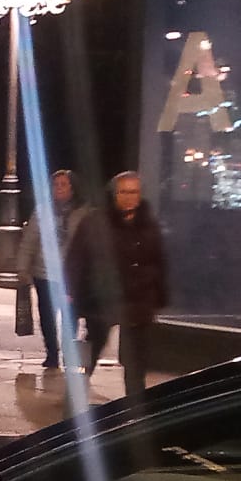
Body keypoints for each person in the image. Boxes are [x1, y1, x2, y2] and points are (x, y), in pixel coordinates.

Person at [68, 171, 168, 401]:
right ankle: (74, 398)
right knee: (93, 346)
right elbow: (76, 258)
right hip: (102, 299)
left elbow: (157, 260)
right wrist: (72, 291)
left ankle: (135, 405)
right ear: (114, 194)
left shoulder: (148, 224)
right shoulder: (95, 222)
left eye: (134, 192)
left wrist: (158, 294)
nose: (129, 197)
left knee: (135, 361)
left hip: (138, 301)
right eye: (124, 191)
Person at [15, 169, 90, 370]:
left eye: (63, 184)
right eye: (56, 185)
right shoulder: (42, 211)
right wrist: (22, 268)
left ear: (73, 188)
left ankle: (68, 352)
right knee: (47, 315)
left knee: (70, 317)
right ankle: (51, 353)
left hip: (71, 276)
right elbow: (29, 241)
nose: (58, 189)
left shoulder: (83, 213)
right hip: (44, 272)